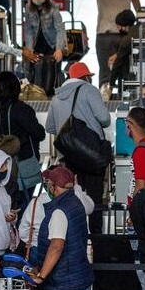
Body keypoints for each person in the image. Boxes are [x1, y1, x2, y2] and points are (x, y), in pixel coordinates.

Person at [46, 62, 111, 234]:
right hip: (91, 156)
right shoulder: (89, 90)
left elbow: (50, 127)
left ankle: (75, 239)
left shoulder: (56, 97)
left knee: (71, 200)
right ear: (86, 77)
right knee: (94, 201)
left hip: (68, 158)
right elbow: (105, 119)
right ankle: (97, 242)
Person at [0, 71, 46, 202]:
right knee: (22, 206)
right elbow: (39, 134)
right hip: (20, 169)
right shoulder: (21, 109)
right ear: (16, 88)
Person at [81, 0, 142, 90]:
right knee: (105, 72)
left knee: (127, 69)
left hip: (125, 33)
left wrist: (140, 16)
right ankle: (105, 94)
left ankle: (126, 93)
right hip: (105, 33)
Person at [22, 0, 66, 96]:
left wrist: (59, 48)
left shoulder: (53, 8)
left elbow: (60, 29)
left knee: (52, 73)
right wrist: (29, 48)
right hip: (36, 45)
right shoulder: (28, 8)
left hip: (51, 45)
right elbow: (28, 30)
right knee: (33, 73)